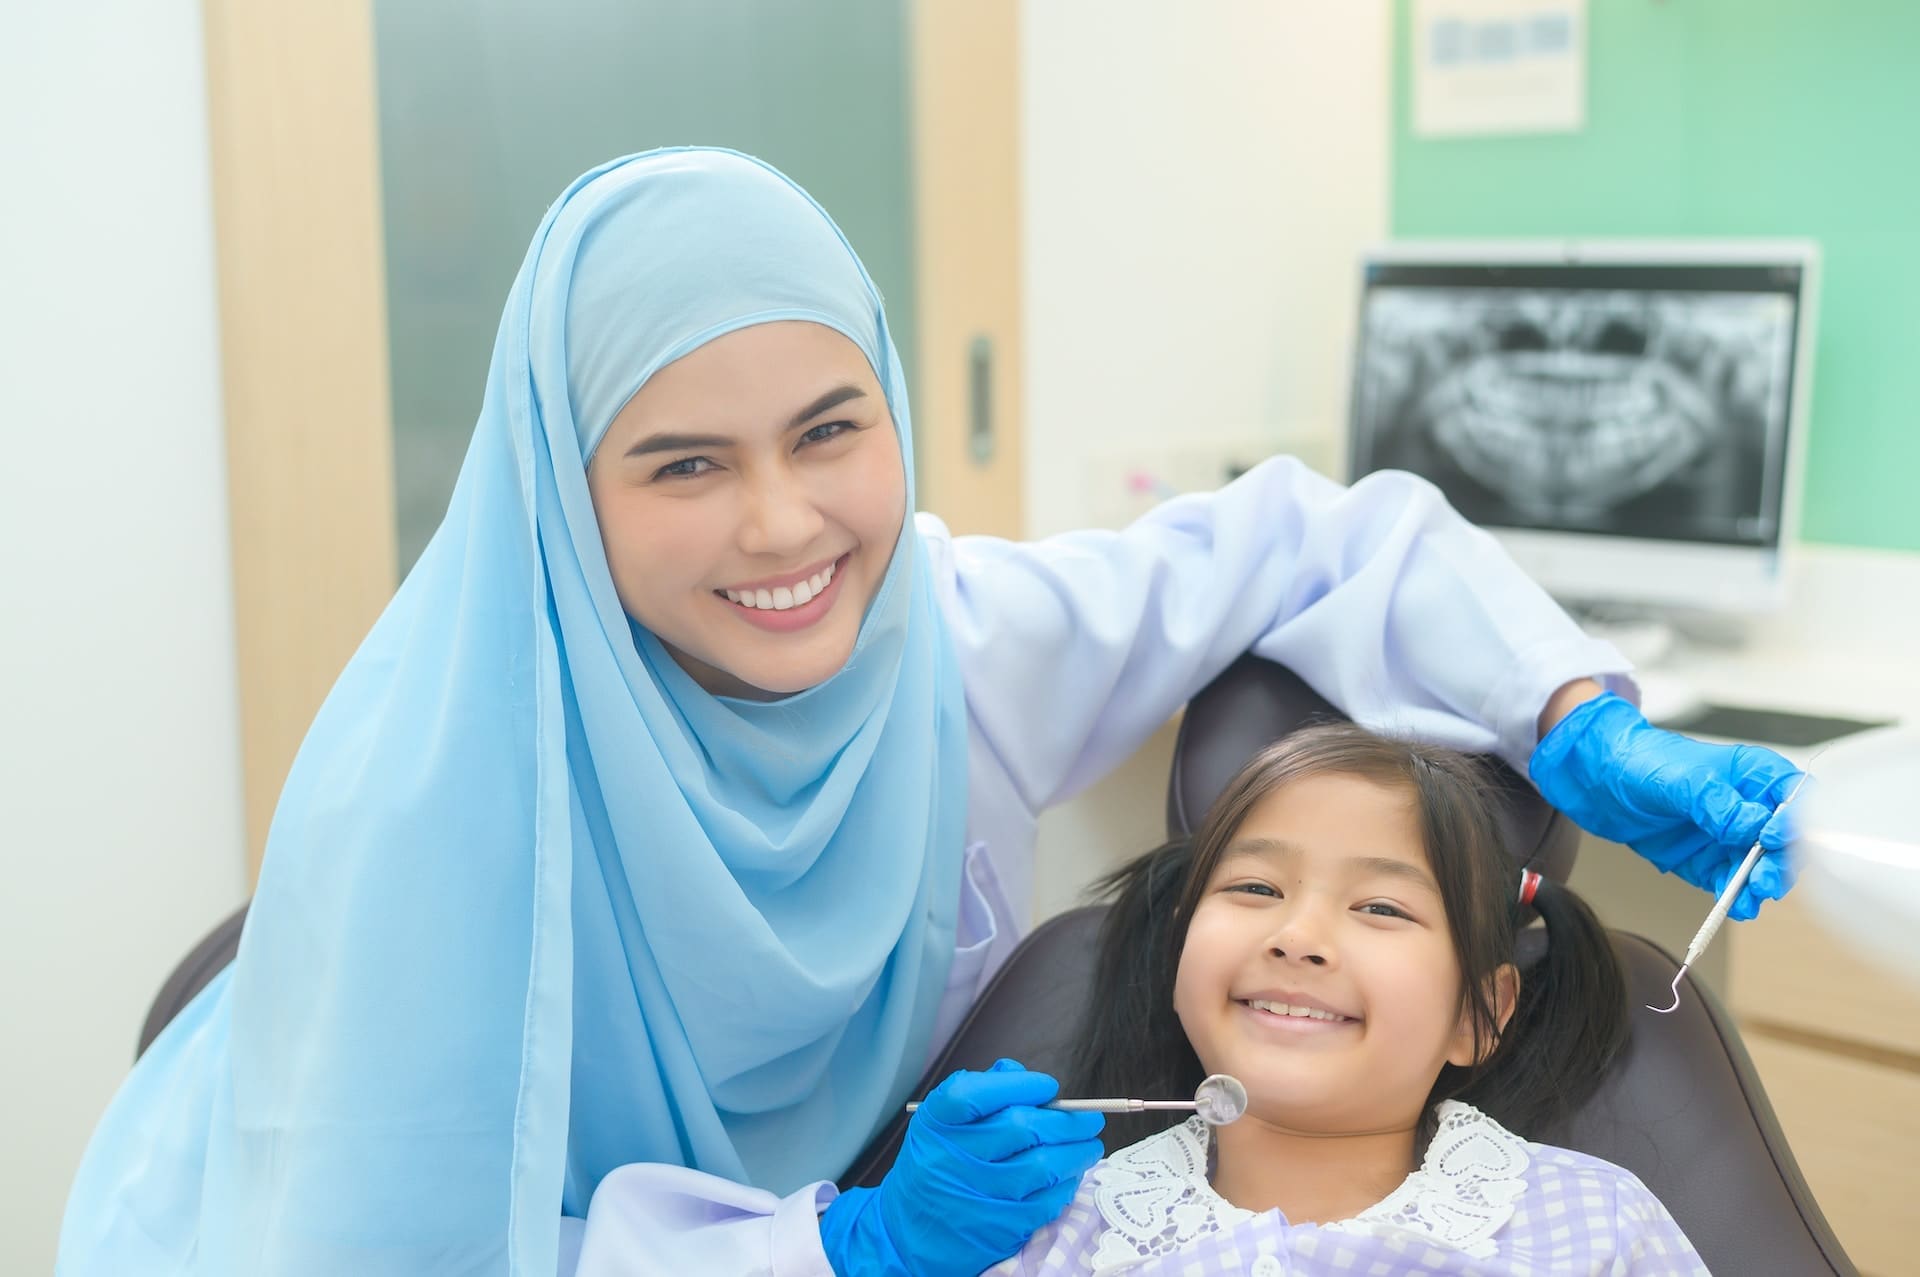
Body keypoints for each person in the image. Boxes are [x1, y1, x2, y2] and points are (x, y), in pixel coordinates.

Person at [56, 147, 1794, 1276]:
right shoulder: (433, 812)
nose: (786, 528)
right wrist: (833, 1249)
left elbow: (1305, 538)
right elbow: (404, 1244)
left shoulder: (945, 644)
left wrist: (1569, 712)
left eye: (830, 429)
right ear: (558, 495)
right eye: (683, 464)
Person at [981, 723, 1705, 1275]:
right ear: (1177, 957)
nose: (1298, 937)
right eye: (1256, 888)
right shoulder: (1068, 1233)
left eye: (1382, 907)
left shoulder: (1596, 1225)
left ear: (1477, 1014)